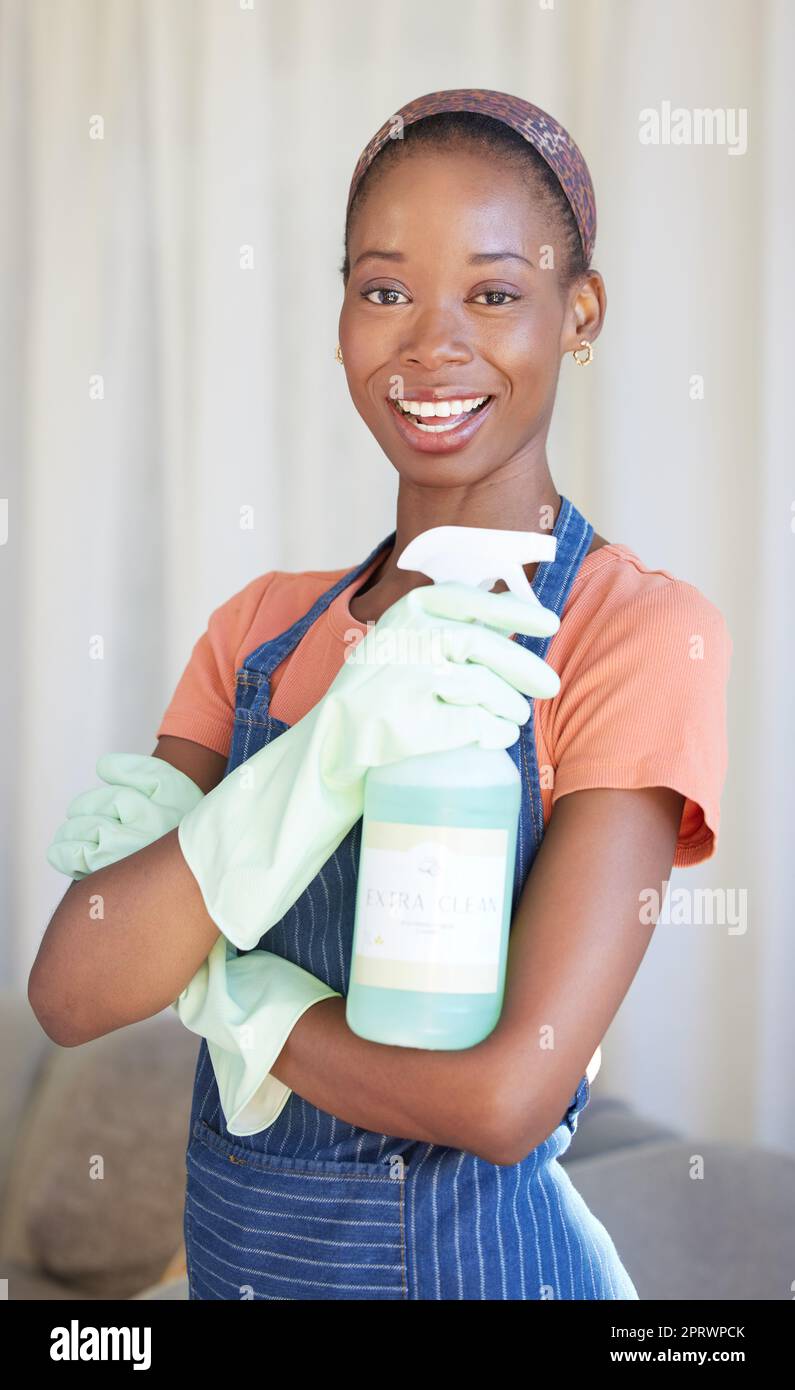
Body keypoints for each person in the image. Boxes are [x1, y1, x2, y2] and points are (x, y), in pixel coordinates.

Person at [31, 89, 731, 1301]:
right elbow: (78, 987)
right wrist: (329, 750)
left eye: (497, 293)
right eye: (385, 289)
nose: (431, 344)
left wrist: (237, 997)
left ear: (581, 314)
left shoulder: (632, 632)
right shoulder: (258, 632)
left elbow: (509, 1098)